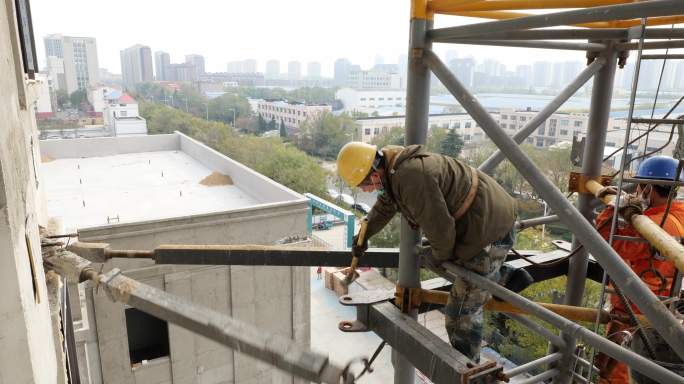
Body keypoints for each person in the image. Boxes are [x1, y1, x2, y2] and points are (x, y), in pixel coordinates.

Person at [336, 141, 521, 362]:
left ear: (374, 174)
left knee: (460, 313)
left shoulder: (411, 178)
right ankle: (501, 275)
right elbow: (386, 205)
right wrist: (364, 237)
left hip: (488, 231)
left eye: (364, 184)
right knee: (437, 259)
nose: (366, 190)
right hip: (484, 221)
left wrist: (436, 257)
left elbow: (442, 233)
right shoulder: (394, 169)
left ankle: (469, 370)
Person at [594, 155, 684, 384]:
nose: (638, 192)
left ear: (649, 189)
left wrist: (616, 206)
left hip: (636, 305)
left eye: (641, 187)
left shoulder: (654, 224)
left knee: (614, 370)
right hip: (662, 302)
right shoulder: (679, 213)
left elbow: (606, 239)